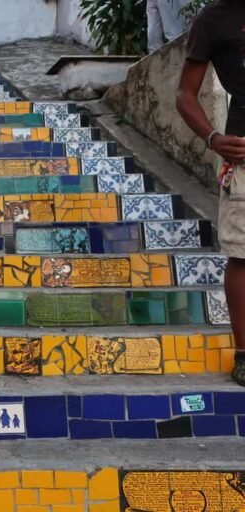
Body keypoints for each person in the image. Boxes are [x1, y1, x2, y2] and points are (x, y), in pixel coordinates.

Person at [176, 0, 245, 386]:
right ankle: (244, 354)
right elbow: (185, 94)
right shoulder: (214, 19)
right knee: (242, 253)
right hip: (243, 150)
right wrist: (213, 137)